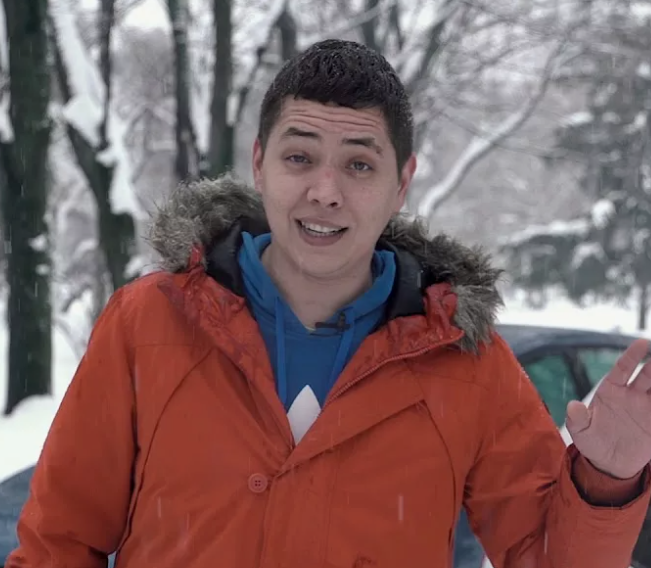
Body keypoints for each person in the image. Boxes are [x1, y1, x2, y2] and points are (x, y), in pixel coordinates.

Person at [6, 39, 651, 568]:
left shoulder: (466, 364)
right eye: (299, 156)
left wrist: (606, 483)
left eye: (359, 165)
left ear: (402, 182)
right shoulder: (147, 324)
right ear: (259, 163)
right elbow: (58, 544)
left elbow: (542, 557)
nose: (325, 191)